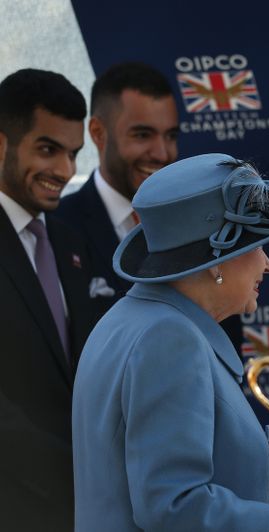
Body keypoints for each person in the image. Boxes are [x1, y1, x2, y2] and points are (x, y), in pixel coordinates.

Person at [72, 153, 269, 531]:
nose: (267, 264)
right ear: (216, 261)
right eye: (256, 246)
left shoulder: (128, 319)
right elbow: (173, 506)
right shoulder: (168, 339)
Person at [0, 68, 100, 530]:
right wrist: (82, 476)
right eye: (47, 149)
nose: (64, 171)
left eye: (73, 153)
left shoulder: (69, 243)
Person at [56, 61, 179, 308]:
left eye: (171, 136)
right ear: (98, 133)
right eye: (143, 135)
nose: (162, 153)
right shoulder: (55, 228)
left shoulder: (197, 221)